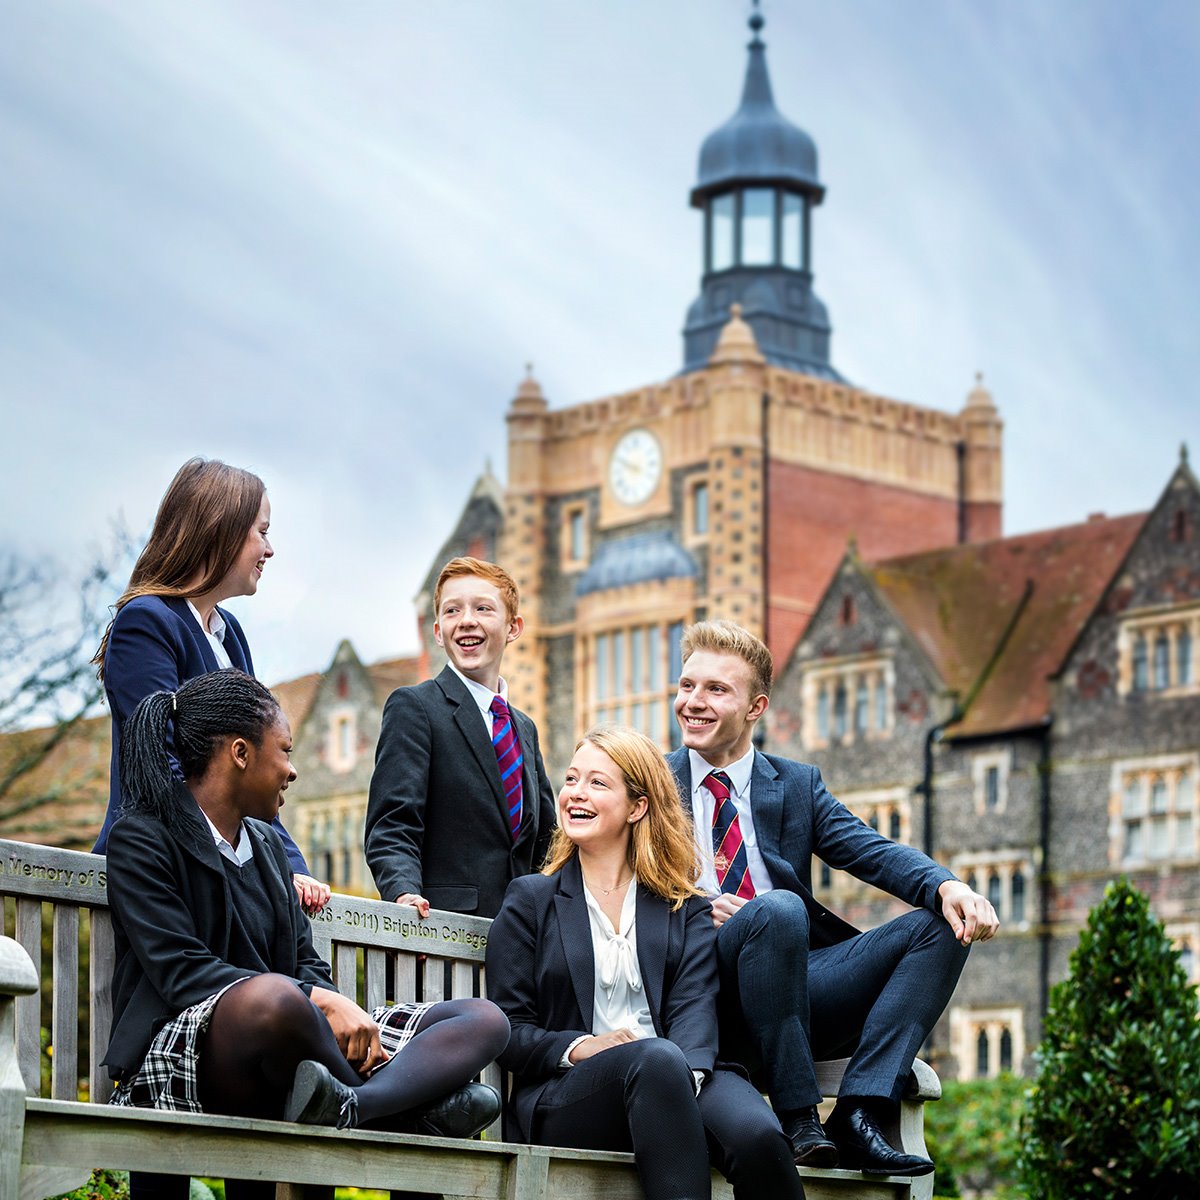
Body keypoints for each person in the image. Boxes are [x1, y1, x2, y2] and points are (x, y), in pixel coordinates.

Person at [103, 669, 508, 1171]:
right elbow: (182, 973)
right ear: (240, 753)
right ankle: (404, 1108)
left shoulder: (270, 846)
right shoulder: (143, 838)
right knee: (274, 997)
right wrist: (319, 1000)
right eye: (286, 750)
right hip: (192, 1049)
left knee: (484, 1019)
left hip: (297, 1051)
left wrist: (326, 1004)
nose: (292, 771)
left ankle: (353, 1105)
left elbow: (304, 962)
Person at [667, 620, 1000, 1177]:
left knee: (941, 924)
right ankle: (801, 1119)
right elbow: (615, 893)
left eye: (715, 689)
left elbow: (873, 850)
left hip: (798, 991)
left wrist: (950, 886)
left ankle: (861, 1110)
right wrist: (700, 910)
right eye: (686, 686)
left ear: (756, 707)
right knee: (776, 909)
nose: (693, 703)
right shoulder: (650, 784)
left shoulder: (796, 785)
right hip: (706, 996)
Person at [486, 726, 804, 1200]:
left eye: (597, 783)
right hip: (572, 1093)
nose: (575, 793)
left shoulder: (684, 906)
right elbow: (509, 1028)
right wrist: (582, 1047)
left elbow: (696, 1006)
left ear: (638, 806)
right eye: (572, 779)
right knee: (655, 1059)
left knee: (758, 1137)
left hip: (681, 1075)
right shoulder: (531, 901)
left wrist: (686, 1080)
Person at [92, 457, 327, 915]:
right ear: (221, 528)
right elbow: (159, 760)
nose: (270, 549)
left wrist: (291, 866)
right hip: (162, 875)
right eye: (262, 531)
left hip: (224, 881)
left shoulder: (230, 634)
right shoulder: (147, 622)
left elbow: (251, 769)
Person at [365, 557, 556, 918]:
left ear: (513, 627)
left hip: (522, 940)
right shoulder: (414, 707)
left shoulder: (524, 729)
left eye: (483, 608)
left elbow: (546, 843)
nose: (467, 619)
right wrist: (402, 895)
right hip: (444, 936)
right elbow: (392, 825)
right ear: (438, 632)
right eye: (453, 611)